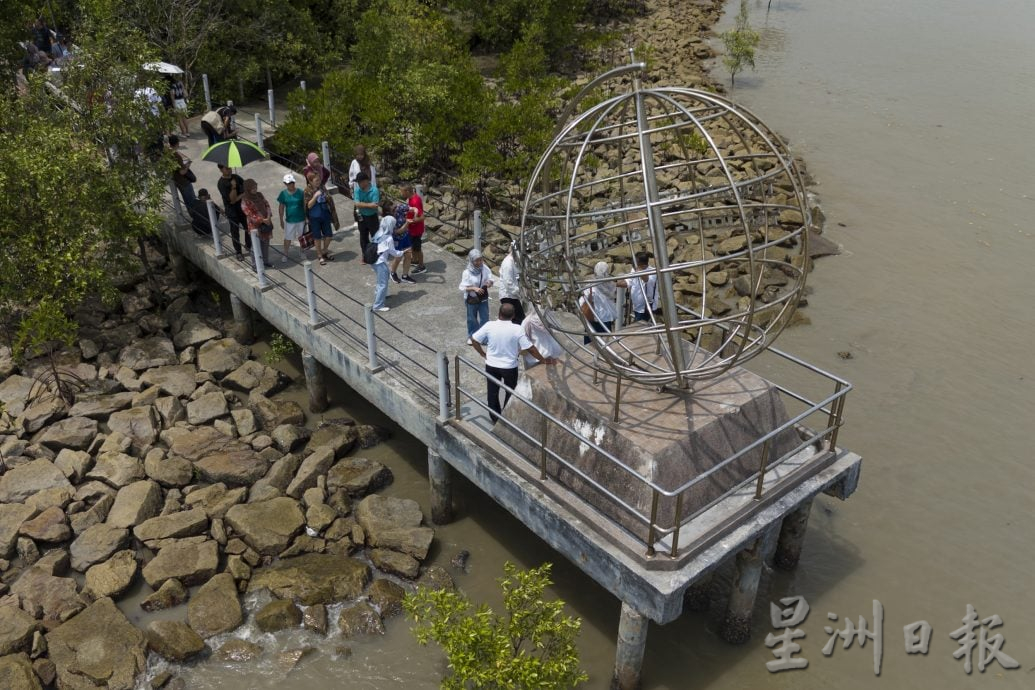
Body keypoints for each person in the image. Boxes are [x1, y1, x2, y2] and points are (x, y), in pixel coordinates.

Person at [471, 303, 555, 423]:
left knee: (492, 392)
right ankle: (505, 415)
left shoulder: (489, 325)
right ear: (513, 316)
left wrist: (483, 354)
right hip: (509, 367)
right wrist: (543, 360)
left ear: (499, 313)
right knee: (510, 391)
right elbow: (530, 348)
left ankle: (495, 418)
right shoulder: (517, 329)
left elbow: (474, 340)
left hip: (491, 365)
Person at [371, 217, 406, 312]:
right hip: (381, 262)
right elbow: (393, 252)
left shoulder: (378, 233)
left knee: (382, 278)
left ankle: (381, 293)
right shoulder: (389, 238)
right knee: (383, 284)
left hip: (373, 260)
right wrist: (403, 252)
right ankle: (378, 305)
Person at [459, 249, 494, 341]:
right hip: (472, 298)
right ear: (471, 260)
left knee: (484, 317)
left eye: (480, 260)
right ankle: (472, 336)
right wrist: (474, 288)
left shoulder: (485, 268)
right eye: (476, 260)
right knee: (472, 319)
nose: (479, 262)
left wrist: (489, 283)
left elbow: (490, 278)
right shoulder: (467, 272)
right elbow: (462, 287)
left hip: (483, 297)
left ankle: (484, 337)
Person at [579, 261, 617, 343]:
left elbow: (582, 304)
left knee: (591, 345)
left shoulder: (590, 286)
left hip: (594, 322)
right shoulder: (610, 285)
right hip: (606, 321)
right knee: (606, 344)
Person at [217, 163, 249, 258]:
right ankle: (238, 252)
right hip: (232, 211)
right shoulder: (221, 183)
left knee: (248, 228)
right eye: (226, 168)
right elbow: (232, 200)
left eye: (230, 168)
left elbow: (246, 190)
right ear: (221, 170)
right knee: (235, 232)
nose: (229, 170)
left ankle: (249, 245)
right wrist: (234, 187)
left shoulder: (236, 177)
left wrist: (241, 195)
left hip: (242, 208)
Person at [617, 251, 659, 323]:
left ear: (643, 264)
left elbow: (646, 280)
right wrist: (615, 284)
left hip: (647, 308)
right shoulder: (635, 270)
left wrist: (638, 270)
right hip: (637, 308)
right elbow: (628, 282)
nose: (633, 263)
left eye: (635, 262)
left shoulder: (652, 272)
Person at [241, 178, 273, 269]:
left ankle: (265, 261)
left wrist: (268, 216)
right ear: (248, 189)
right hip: (255, 226)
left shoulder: (260, 195)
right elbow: (248, 213)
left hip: (266, 222)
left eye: (256, 187)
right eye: (253, 188)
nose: (255, 189)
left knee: (266, 243)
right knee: (255, 245)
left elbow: (267, 205)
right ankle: (255, 265)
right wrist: (262, 220)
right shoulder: (245, 200)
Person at [304, 171, 334, 265]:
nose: (319, 181)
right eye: (316, 180)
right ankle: (319, 255)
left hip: (325, 214)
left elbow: (329, 198)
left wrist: (326, 197)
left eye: (319, 179)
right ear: (310, 181)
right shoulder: (307, 190)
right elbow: (308, 205)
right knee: (317, 237)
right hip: (314, 217)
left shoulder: (322, 187)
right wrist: (315, 196)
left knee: (329, 235)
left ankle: (324, 251)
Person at [277, 173, 307, 263]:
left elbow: (304, 205)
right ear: (285, 184)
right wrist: (281, 220)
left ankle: (302, 252)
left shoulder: (301, 192)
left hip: (301, 219)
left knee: (302, 237)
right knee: (287, 238)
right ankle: (285, 254)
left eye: (292, 182)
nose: (291, 184)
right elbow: (281, 207)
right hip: (290, 220)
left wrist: (307, 217)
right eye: (289, 183)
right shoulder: (283, 194)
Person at [352, 171, 380, 262]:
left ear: (366, 181)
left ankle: (376, 254)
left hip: (372, 217)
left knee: (375, 236)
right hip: (362, 217)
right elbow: (356, 204)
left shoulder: (374, 190)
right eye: (358, 182)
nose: (359, 184)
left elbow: (375, 205)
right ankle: (365, 255)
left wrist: (362, 204)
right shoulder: (357, 190)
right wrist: (368, 205)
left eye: (360, 182)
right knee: (363, 237)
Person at [348, 144, 376, 224]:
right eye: (358, 155)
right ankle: (357, 220)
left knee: (368, 203)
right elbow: (351, 174)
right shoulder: (354, 162)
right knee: (358, 204)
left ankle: (369, 218)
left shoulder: (369, 163)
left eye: (361, 154)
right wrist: (351, 186)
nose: (360, 156)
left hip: (369, 187)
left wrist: (373, 187)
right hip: (358, 187)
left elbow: (373, 175)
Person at [498, 242, 524, 324]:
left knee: (516, 319)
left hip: (512, 295)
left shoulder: (514, 261)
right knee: (518, 319)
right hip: (508, 295)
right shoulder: (508, 263)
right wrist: (519, 292)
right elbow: (508, 282)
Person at [390, 203, 415, 284]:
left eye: (394, 208)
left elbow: (414, 208)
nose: (394, 211)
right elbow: (398, 231)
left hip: (406, 236)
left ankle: (405, 276)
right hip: (397, 239)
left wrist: (414, 213)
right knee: (398, 257)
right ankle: (393, 273)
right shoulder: (390, 220)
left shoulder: (399, 207)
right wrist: (407, 223)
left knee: (408, 255)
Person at [404, 184, 427, 274]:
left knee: (417, 248)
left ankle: (421, 266)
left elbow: (421, 217)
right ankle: (415, 260)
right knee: (413, 246)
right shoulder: (410, 199)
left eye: (402, 192)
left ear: (407, 191)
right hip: (412, 228)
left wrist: (411, 221)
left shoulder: (416, 200)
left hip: (416, 229)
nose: (401, 193)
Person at [168, 135, 195, 208]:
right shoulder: (176, 156)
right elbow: (182, 172)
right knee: (192, 202)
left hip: (177, 181)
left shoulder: (167, 153)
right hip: (184, 182)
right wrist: (188, 164)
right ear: (177, 143)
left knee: (188, 202)